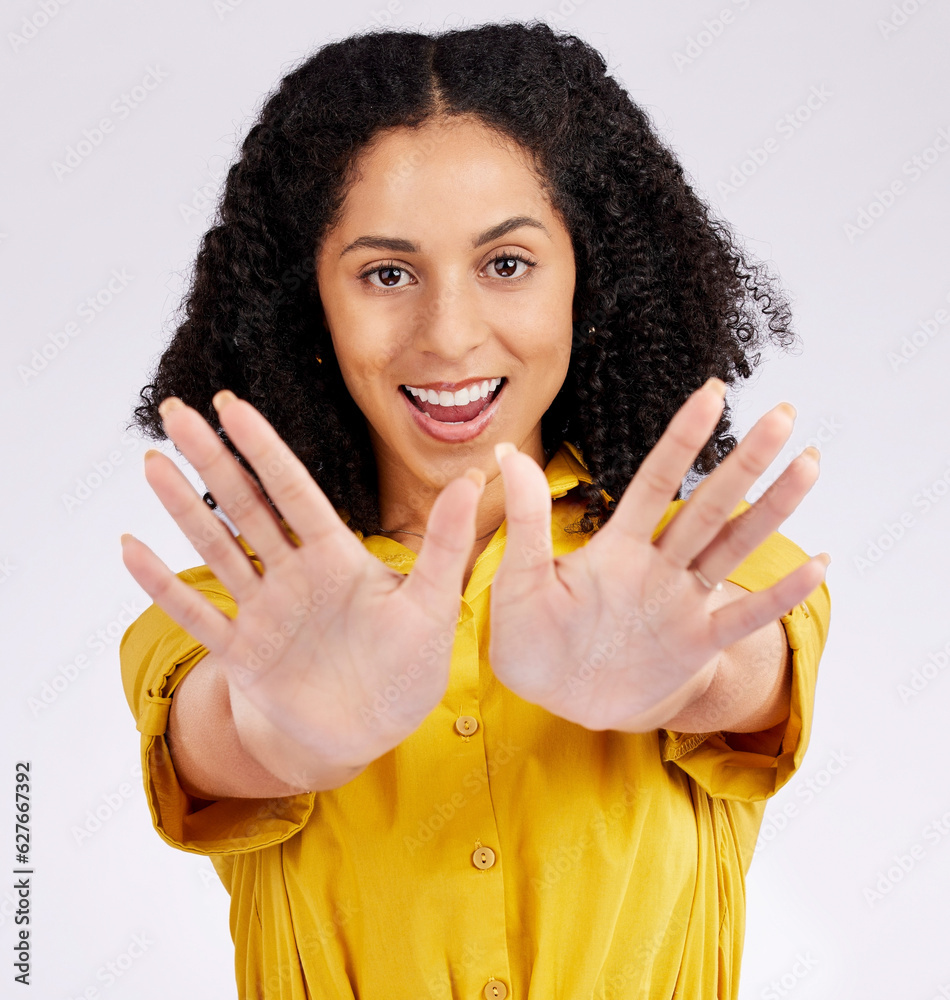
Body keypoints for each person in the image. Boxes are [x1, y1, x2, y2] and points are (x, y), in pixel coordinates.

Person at [119, 20, 831, 1000]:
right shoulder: (238, 613)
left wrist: (687, 678)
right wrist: (284, 735)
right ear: (305, 306)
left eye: (505, 263)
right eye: (385, 274)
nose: (448, 336)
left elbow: (746, 674)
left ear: (593, 281)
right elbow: (214, 735)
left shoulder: (694, 562)